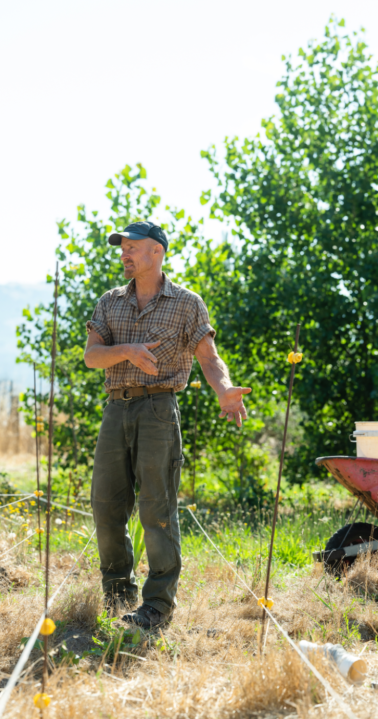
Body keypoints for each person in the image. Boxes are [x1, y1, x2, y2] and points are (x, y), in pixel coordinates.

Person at [83, 221, 250, 629]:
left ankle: (157, 605)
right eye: (121, 247)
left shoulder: (187, 303)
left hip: (159, 410)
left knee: (156, 508)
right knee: (105, 506)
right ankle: (117, 592)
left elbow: (209, 358)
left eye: (132, 247)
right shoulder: (109, 302)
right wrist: (128, 351)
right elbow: (92, 356)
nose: (124, 253)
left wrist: (224, 389)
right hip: (115, 410)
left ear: (156, 252)